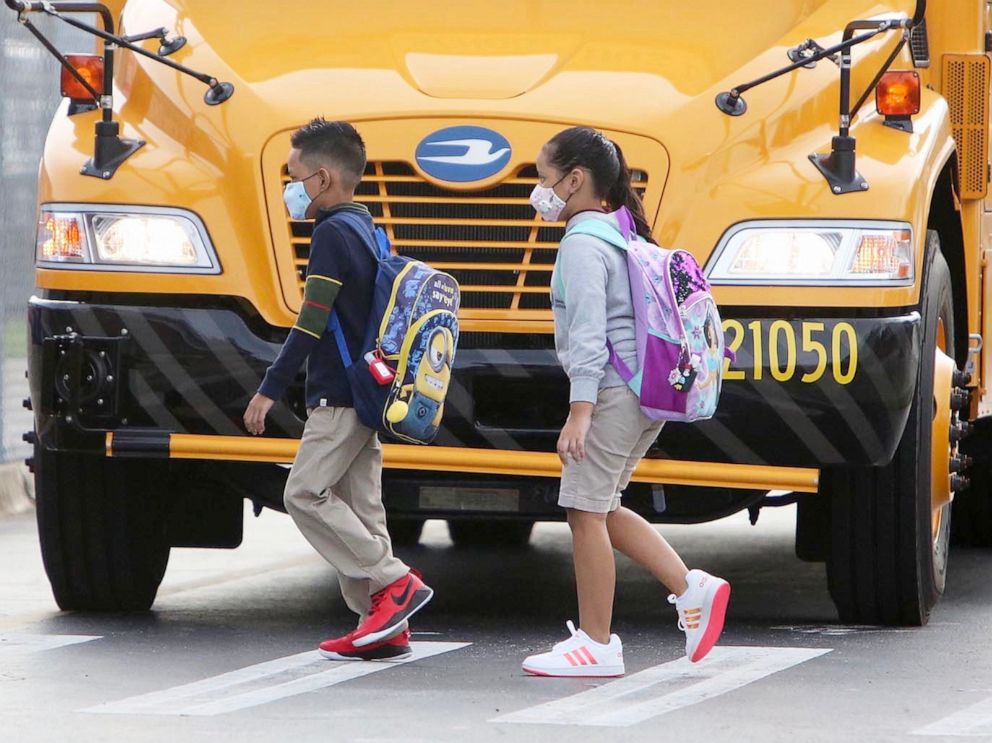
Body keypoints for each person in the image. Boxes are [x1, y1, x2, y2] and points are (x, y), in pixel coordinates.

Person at [521, 127, 731, 677]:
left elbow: (589, 332)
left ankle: (597, 643)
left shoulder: (583, 244)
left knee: (584, 511)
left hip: (612, 393)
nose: (539, 192)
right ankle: (692, 589)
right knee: (604, 506)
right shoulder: (623, 236)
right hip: (644, 394)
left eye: (544, 179)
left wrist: (580, 410)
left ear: (575, 180)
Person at [243, 118, 432, 661]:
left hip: (340, 396)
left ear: (322, 177)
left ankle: (391, 581)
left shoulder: (329, 233)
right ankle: (383, 625)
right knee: (362, 508)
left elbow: (311, 321)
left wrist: (269, 389)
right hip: (369, 391)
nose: (290, 185)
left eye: (294, 173)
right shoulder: (366, 226)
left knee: (303, 493)